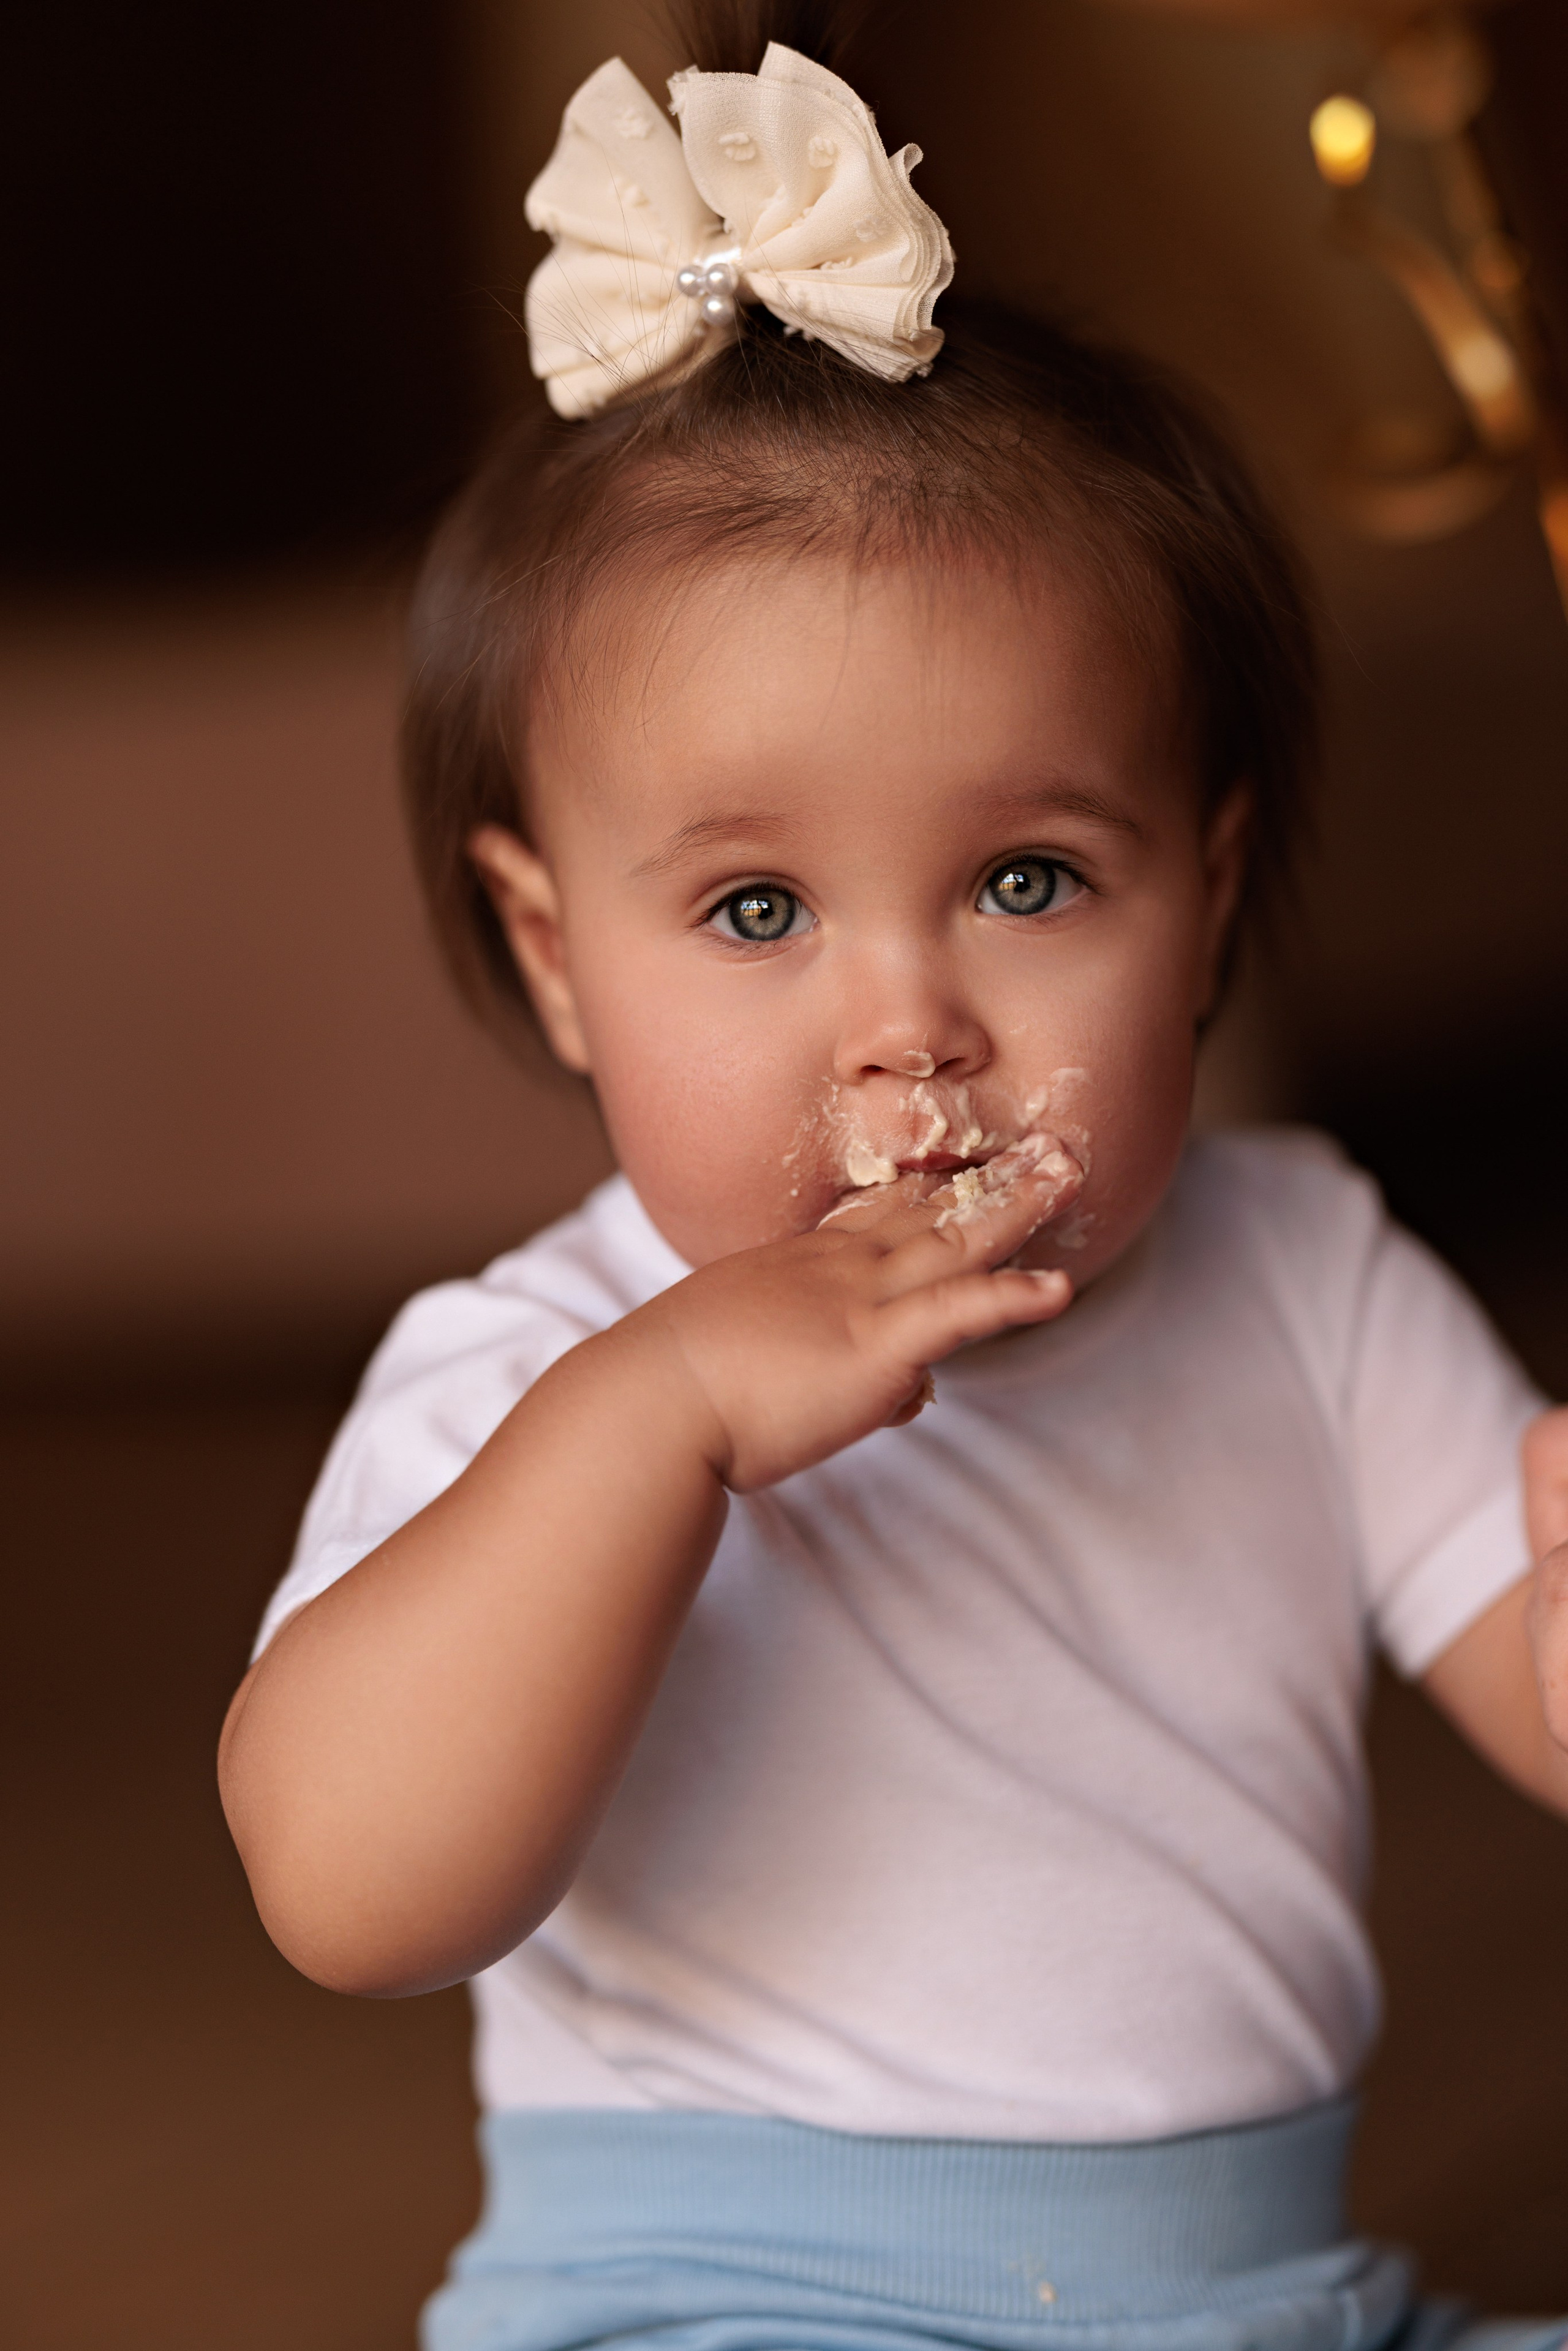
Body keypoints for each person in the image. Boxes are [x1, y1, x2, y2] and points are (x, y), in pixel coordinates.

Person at [219, 9, 1568, 2347]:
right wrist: (662, 1420)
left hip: (1273, 2304)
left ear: (1208, 907)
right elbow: (351, 1891)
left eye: (1030, 882)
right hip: (721, 2309)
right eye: (757, 910)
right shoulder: (540, 1370)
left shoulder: (1307, 1274)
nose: (909, 1025)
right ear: (556, 958)